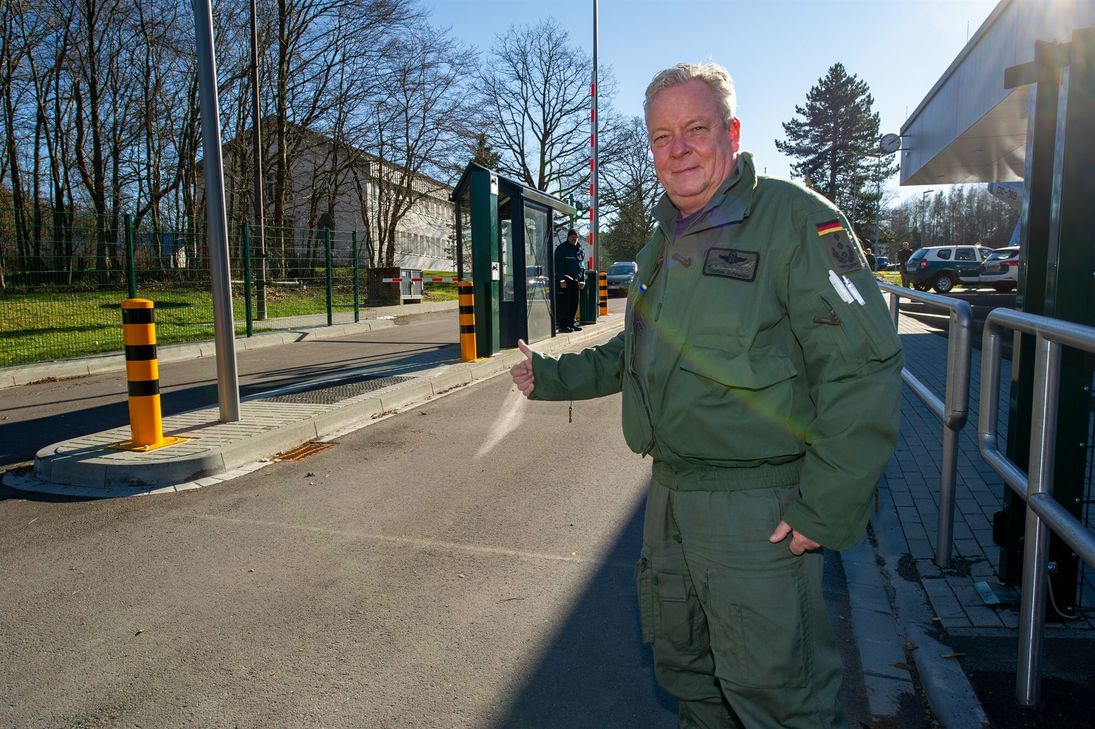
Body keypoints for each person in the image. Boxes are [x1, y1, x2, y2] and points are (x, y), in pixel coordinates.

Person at [510, 62, 902, 729]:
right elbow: (634, 352)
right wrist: (551, 376)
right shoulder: (664, 242)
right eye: (662, 136)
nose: (678, 147)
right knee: (692, 675)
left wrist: (825, 505)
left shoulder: (794, 222)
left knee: (781, 697)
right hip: (671, 497)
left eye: (695, 128)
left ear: (732, 132)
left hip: (758, 509)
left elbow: (862, 369)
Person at [554, 228, 586, 332]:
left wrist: (582, 280)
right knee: (564, 304)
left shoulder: (580, 250)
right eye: (572, 237)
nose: (574, 239)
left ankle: (572, 323)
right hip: (565, 281)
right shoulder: (562, 249)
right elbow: (558, 266)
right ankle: (563, 325)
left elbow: (582, 266)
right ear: (568, 237)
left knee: (574, 303)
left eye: (576, 237)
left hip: (576, 281)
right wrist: (561, 280)